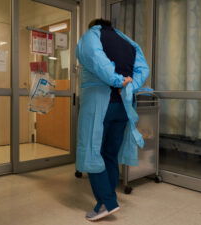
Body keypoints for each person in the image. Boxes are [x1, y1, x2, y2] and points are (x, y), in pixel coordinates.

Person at [75, 19, 149, 221]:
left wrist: (117, 80)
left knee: (92, 151)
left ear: (93, 26)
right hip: (123, 107)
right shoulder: (129, 43)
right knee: (109, 154)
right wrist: (128, 85)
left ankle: (106, 203)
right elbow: (143, 69)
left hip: (100, 106)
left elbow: (98, 61)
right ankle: (109, 196)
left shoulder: (91, 36)